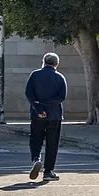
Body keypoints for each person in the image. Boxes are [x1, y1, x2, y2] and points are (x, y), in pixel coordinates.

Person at [25, 52, 67, 181]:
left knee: (35, 139)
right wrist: (47, 105)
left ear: (43, 62)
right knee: (52, 143)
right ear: (57, 64)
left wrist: (39, 107)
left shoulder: (34, 75)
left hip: (37, 114)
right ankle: (48, 172)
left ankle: (36, 159)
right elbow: (61, 97)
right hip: (54, 115)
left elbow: (28, 93)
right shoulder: (60, 77)